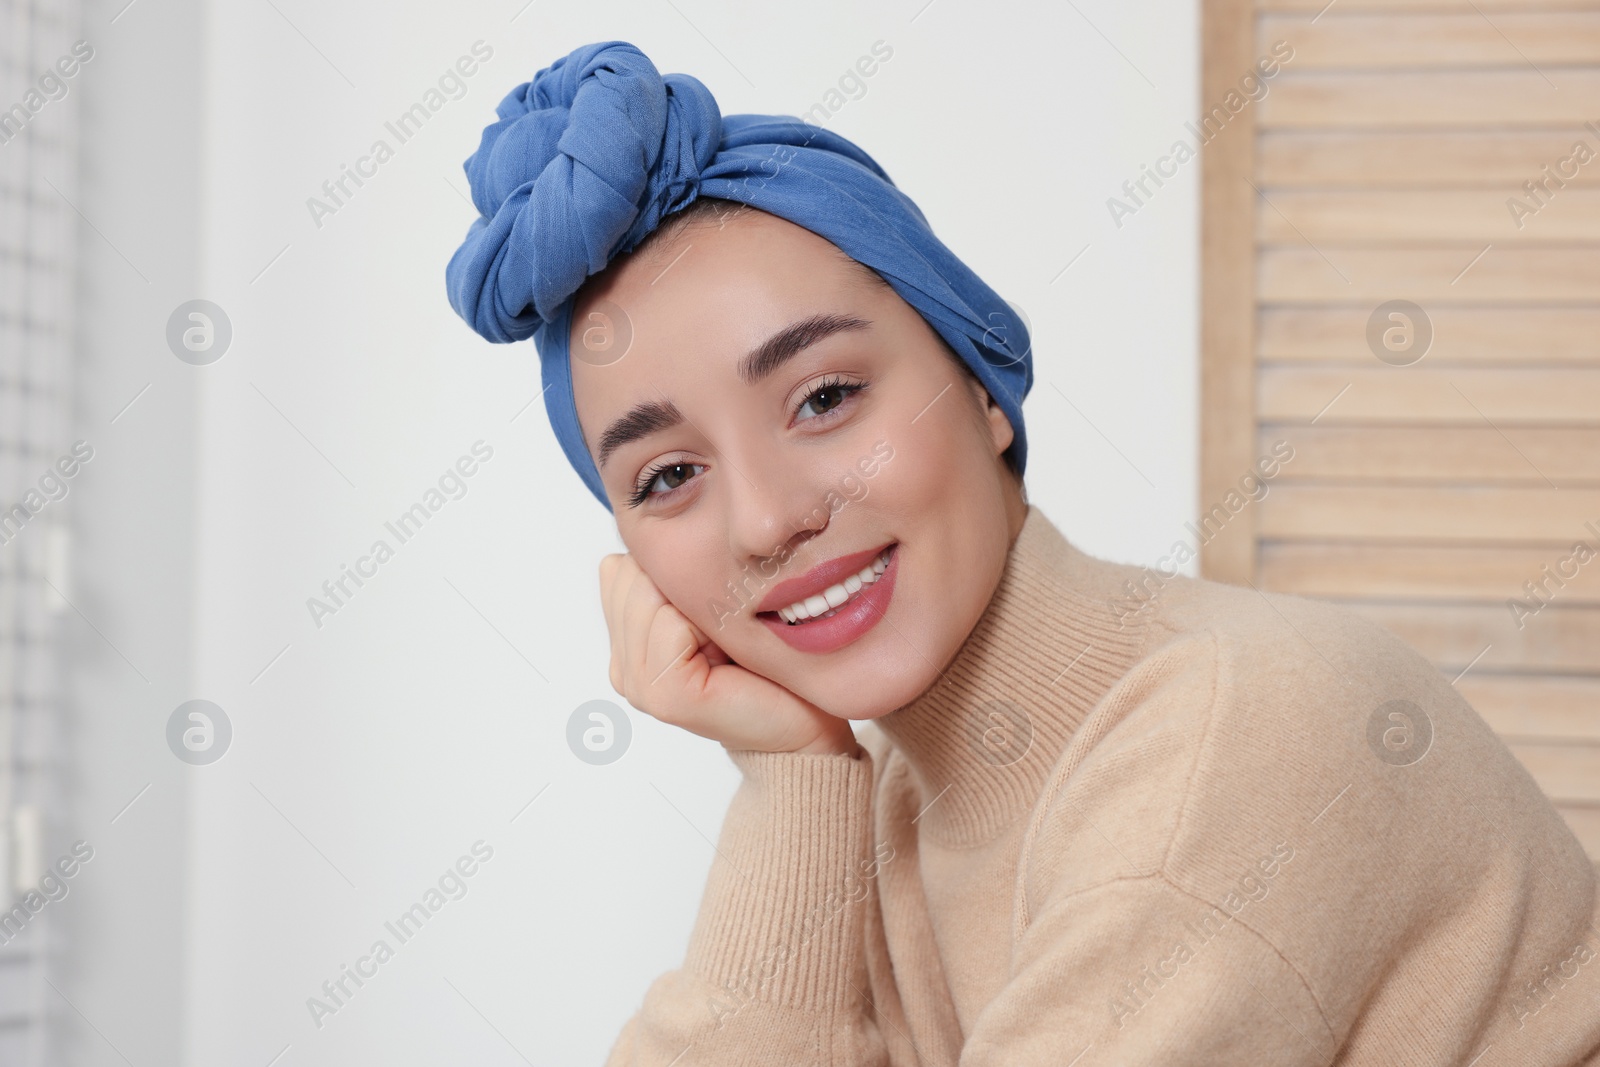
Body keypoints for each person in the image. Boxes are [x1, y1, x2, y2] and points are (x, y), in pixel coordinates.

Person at [445, 40, 1600, 1066]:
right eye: (668, 477)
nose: (764, 521)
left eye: (826, 396)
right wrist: (793, 772)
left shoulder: (1234, 731)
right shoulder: (895, 800)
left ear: (980, 380)